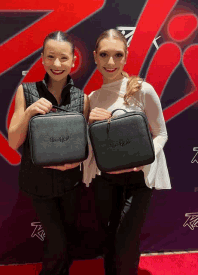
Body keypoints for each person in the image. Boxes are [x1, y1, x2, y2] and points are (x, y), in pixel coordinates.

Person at [83, 29, 171, 275]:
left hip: (138, 178)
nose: (110, 62)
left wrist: (141, 158)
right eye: (104, 55)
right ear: (95, 57)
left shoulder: (142, 89)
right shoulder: (92, 98)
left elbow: (161, 133)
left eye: (117, 55)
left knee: (126, 240)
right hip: (106, 179)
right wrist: (88, 123)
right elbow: (90, 146)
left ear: (125, 57)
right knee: (109, 237)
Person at [8, 31, 89, 275]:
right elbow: (14, 141)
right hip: (37, 184)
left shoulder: (81, 98)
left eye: (63, 58)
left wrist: (72, 164)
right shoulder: (26, 91)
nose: (57, 64)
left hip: (71, 184)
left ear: (73, 61)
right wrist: (30, 112)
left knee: (67, 242)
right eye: (50, 56)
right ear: (42, 58)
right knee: (57, 243)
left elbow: (83, 146)